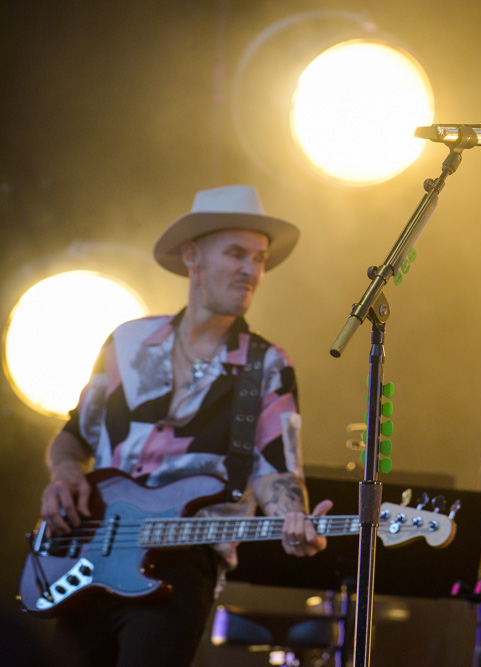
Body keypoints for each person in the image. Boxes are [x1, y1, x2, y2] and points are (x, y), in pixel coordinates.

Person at [38, 185, 332, 667]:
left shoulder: (267, 364)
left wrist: (292, 519)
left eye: (258, 258)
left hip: (181, 565)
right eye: (236, 254)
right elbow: (74, 436)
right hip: (88, 554)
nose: (250, 271)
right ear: (191, 255)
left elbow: (278, 468)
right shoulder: (126, 342)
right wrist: (65, 474)